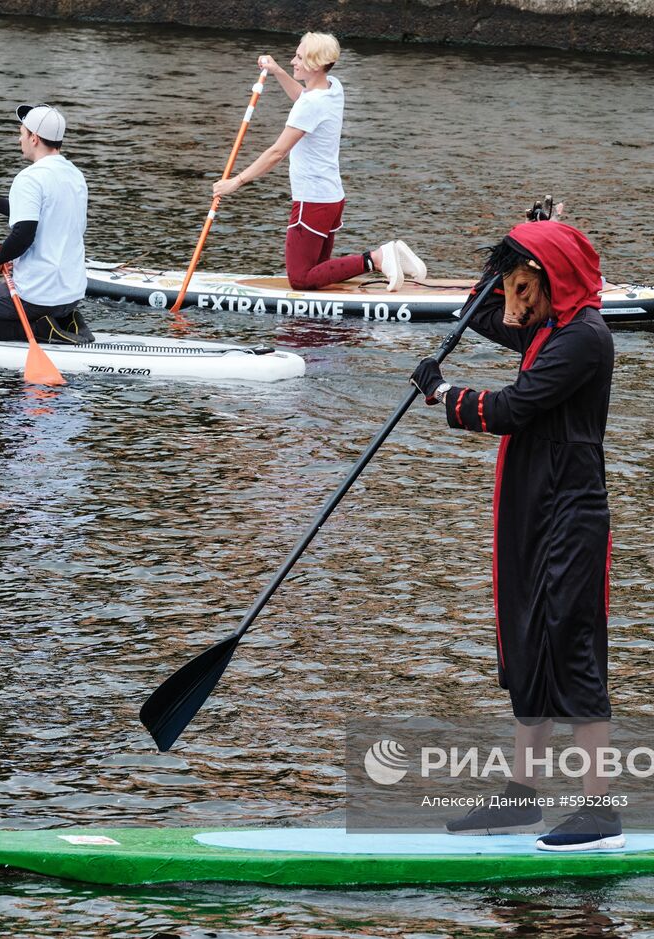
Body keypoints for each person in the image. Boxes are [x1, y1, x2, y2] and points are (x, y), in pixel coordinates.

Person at [409, 218, 621, 852]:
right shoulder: (550, 324)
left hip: (570, 511)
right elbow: (491, 318)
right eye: (510, 286)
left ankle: (600, 810)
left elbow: (514, 406)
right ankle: (521, 798)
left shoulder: (584, 337)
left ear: (551, 282)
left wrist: (444, 393)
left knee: (571, 646)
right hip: (530, 505)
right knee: (527, 643)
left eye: (523, 286)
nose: (514, 302)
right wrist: (497, 266)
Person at [211, 32, 427, 292]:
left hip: (312, 201)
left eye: (299, 57)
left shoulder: (311, 104)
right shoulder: (332, 87)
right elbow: (303, 98)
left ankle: (377, 257)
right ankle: (393, 254)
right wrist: (278, 71)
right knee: (318, 273)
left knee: (301, 279)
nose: (293, 61)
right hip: (332, 199)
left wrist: (236, 181)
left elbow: (277, 152)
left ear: (314, 64)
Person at [0, 104, 92, 344]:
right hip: (70, 294)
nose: (20, 139)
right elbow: (47, 212)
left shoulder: (29, 177)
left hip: (37, 294)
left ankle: (41, 331)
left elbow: (24, 233)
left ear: (34, 138)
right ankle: (64, 321)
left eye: (22, 133)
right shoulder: (74, 175)